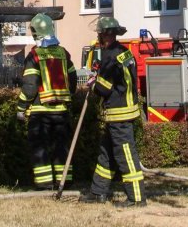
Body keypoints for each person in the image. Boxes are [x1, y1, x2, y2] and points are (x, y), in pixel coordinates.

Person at [87, 16, 146, 208]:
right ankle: (98, 192)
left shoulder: (109, 56)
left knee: (126, 155)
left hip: (119, 114)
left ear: (104, 34)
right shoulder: (125, 52)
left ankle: (137, 198)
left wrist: (93, 83)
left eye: (99, 34)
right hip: (124, 111)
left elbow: (103, 89)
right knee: (106, 153)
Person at [16, 13, 78, 190]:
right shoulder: (63, 53)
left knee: (40, 148)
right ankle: (64, 181)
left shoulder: (34, 55)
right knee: (62, 148)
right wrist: (68, 96)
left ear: (36, 33)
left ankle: (44, 184)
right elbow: (73, 80)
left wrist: (21, 108)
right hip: (62, 112)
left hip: (40, 112)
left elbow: (30, 85)